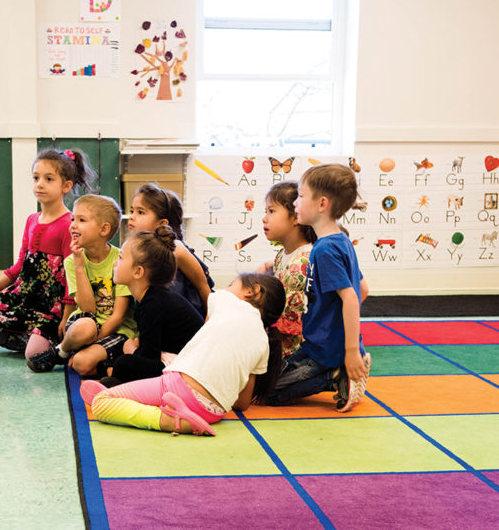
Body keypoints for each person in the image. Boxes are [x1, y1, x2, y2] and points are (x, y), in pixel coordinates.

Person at [80, 273, 285, 437]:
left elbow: (203, 335)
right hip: (213, 412)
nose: (227, 289)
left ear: (252, 291)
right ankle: (168, 410)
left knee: (101, 404)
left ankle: (165, 420)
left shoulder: (224, 300)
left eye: (232, 284)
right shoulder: (263, 343)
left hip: (177, 386)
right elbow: (242, 404)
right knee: (147, 392)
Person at [0, 148, 95, 371]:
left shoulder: (69, 224)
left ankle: (47, 338)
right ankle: (33, 336)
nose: (40, 184)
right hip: (26, 298)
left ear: (66, 186)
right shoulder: (31, 220)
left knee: (33, 355)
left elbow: (71, 275)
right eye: (36, 178)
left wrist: (67, 316)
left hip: (52, 306)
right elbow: (19, 266)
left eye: (48, 179)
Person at [265, 163, 371, 412]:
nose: (295, 204)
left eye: (300, 197)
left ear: (322, 204)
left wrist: (351, 351)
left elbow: (352, 298)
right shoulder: (340, 241)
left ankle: (334, 375)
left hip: (322, 350)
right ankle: (336, 369)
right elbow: (362, 288)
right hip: (321, 343)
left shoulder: (324, 250)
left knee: (268, 392)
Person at [30, 194, 137, 376]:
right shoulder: (72, 261)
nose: (73, 225)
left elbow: (118, 317)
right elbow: (87, 309)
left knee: (81, 364)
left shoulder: (121, 260)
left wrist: (94, 342)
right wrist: (80, 266)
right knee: (86, 326)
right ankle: (62, 350)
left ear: (103, 229)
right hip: (85, 325)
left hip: (115, 331)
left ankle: (76, 354)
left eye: (81, 220)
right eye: (73, 218)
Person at [104, 225, 204, 386]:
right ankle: (116, 380)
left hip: (191, 369)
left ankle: (116, 381)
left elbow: (148, 356)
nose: (116, 262)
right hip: (174, 358)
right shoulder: (151, 298)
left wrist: (131, 350)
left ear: (138, 272)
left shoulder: (153, 304)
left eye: (121, 257)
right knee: (119, 356)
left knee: (124, 363)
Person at [127, 184, 214, 315]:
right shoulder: (136, 248)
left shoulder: (176, 249)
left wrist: (209, 321)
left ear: (162, 223)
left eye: (140, 212)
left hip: (191, 316)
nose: (132, 217)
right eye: (132, 210)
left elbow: (203, 285)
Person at [257, 181, 317, 357]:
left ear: (296, 217)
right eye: (266, 211)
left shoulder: (300, 265)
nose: (264, 218)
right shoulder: (282, 256)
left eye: (272, 211)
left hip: (292, 355)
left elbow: (287, 324)